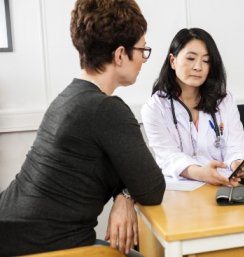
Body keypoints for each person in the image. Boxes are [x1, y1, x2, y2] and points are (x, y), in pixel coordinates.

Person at [0, 0, 165, 256]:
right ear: (120, 55)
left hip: (13, 232)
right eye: (143, 50)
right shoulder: (107, 110)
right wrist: (128, 193)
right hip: (45, 246)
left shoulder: (69, 97)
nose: (144, 59)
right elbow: (153, 189)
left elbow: (133, 175)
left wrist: (124, 195)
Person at [141, 28, 244, 186]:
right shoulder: (154, 108)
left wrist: (238, 163)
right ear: (173, 61)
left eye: (206, 60)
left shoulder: (224, 100)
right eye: (190, 58)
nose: (198, 67)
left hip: (224, 186)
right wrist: (202, 174)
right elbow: (168, 157)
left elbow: (237, 145)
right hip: (179, 192)